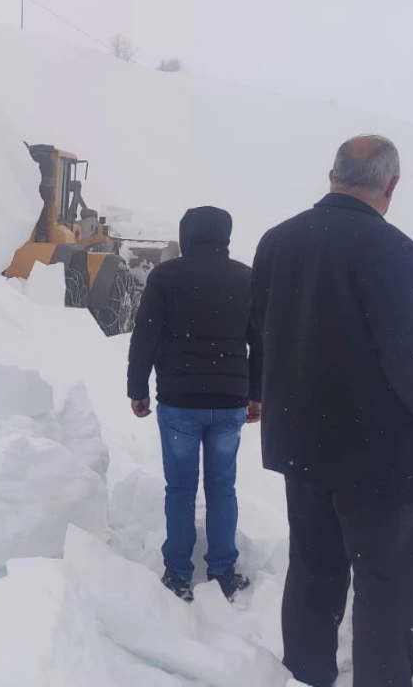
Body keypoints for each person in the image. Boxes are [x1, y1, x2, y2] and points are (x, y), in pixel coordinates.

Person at [251, 135, 413, 687]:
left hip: (303, 444)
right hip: (380, 457)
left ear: (332, 174)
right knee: (389, 587)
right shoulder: (391, 250)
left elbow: (262, 334)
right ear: (390, 184)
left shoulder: (277, 241)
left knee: (313, 570)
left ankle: (305, 676)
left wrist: (260, 396)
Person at [127, 206, 262, 603]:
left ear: (186, 235)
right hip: (228, 402)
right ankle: (223, 571)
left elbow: (145, 337)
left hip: (179, 402)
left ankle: (179, 574)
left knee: (181, 488)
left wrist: (138, 388)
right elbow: (261, 342)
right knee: (223, 488)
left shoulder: (167, 276)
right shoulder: (245, 278)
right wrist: (256, 394)